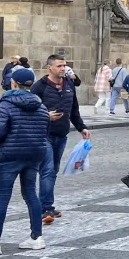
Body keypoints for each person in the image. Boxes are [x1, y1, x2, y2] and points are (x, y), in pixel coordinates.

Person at [0, 67, 49, 254]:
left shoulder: (6, 104)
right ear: (31, 85)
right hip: (34, 156)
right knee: (31, 194)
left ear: (13, 83)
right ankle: (37, 237)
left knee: (2, 197)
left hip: (10, 156)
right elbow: (44, 133)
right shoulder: (41, 106)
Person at [33, 54, 90, 223]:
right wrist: (45, 116)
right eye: (59, 66)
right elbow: (30, 110)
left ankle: (47, 205)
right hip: (44, 134)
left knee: (53, 171)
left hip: (61, 134)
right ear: (49, 67)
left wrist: (82, 127)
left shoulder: (69, 84)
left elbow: (74, 110)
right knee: (48, 170)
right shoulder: (39, 87)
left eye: (64, 65)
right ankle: (46, 208)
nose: (63, 68)